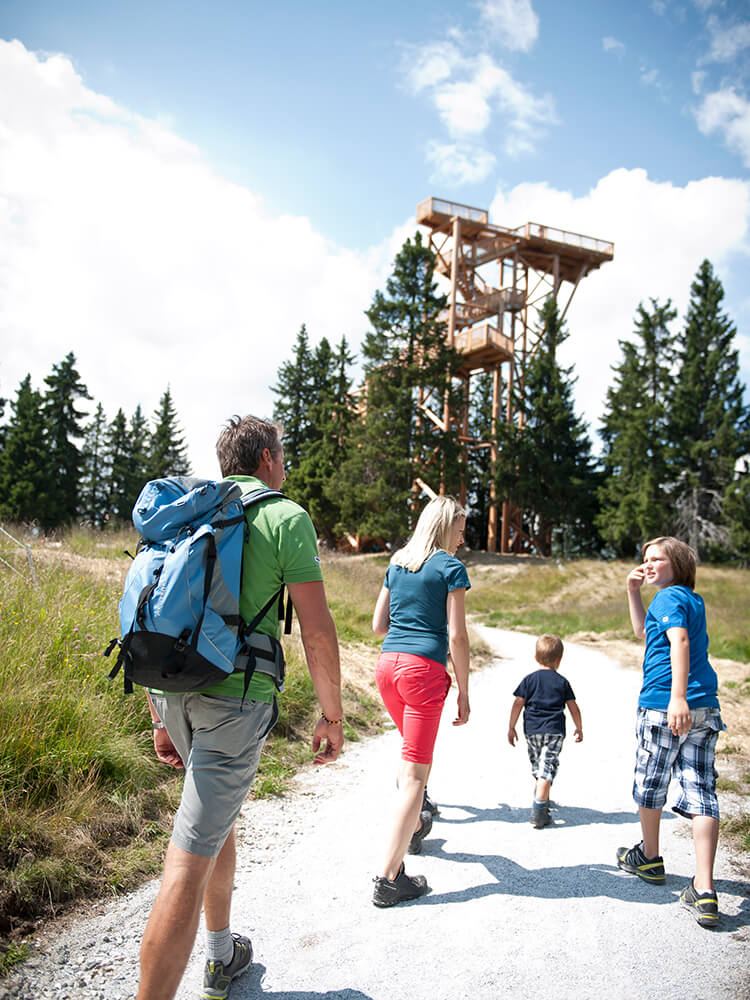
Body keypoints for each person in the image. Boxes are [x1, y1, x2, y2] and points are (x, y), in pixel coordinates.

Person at [138, 415, 344, 1000]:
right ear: (268, 459)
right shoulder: (285, 516)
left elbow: (160, 610)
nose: (285, 465)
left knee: (214, 824)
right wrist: (331, 714)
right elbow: (317, 631)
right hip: (235, 701)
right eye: (282, 456)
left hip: (175, 691)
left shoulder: (195, 511)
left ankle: (222, 954)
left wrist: (159, 715)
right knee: (185, 865)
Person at [617, 536, 725, 929]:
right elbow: (646, 635)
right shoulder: (689, 600)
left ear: (677, 564)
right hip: (705, 706)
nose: (648, 565)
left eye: (657, 559)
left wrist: (676, 697)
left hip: (666, 704)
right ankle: (705, 888)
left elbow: (678, 640)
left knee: (651, 781)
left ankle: (649, 856)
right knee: (701, 789)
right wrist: (633, 591)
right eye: (644, 559)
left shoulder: (668, 598)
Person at [370, 495, 471, 907]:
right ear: (445, 527)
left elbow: (379, 625)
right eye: (460, 531)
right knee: (415, 775)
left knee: (412, 763)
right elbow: (458, 636)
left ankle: (412, 826)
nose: (462, 540)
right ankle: (388, 877)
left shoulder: (398, 561)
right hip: (423, 673)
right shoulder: (450, 567)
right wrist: (464, 689)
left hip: (386, 668)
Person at [507, 634, 583, 829]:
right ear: (559, 660)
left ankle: (542, 797)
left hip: (531, 730)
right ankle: (540, 807)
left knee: (538, 765)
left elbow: (518, 703)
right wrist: (579, 727)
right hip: (555, 731)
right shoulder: (562, 682)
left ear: (535, 657)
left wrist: (511, 726)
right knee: (548, 765)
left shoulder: (529, 680)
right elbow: (573, 707)